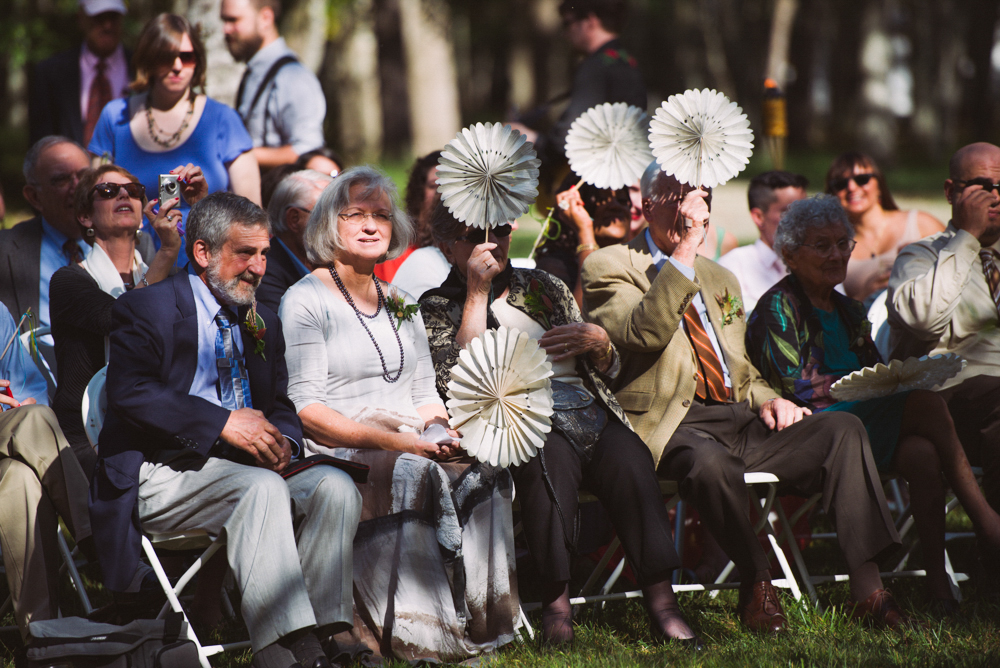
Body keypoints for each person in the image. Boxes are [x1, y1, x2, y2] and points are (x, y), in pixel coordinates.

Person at [582, 163, 905, 632]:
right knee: (710, 464)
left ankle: (868, 587)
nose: (697, 206)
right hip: (673, 423)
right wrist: (687, 249)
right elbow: (642, 334)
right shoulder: (610, 265)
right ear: (648, 206)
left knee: (842, 428)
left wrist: (770, 399)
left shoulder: (719, 278)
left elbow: (742, 368)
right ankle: (757, 578)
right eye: (681, 196)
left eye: (704, 195)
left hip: (739, 417)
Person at [89, 192, 361, 668]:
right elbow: (131, 393)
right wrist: (221, 422)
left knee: (334, 488)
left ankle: (328, 630)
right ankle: (284, 649)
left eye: (265, 253)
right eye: (245, 253)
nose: (259, 268)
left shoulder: (262, 320)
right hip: (162, 471)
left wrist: (285, 442)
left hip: (245, 471)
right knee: (257, 489)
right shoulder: (148, 308)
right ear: (202, 253)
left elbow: (280, 405)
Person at [419, 201, 700, 648]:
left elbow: (606, 370)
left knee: (631, 460)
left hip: (584, 405)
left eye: (503, 230)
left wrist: (601, 344)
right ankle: (556, 607)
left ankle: (663, 603)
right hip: (518, 422)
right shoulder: (439, 305)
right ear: (445, 245)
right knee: (547, 463)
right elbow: (455, 379)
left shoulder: (544, 285)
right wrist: (476, 290)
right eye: (476, 236)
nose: (493, 243)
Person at [278, 167, 522, 661]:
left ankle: (485, 621)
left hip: (410, 437)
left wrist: (438, 428)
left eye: (381, 217)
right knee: (415, 470)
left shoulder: (400, 302)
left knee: (484, 468)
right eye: (356, 215)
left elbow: (423, 393)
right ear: (329, 224)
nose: (371, 226)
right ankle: (417, 631)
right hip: (340, 447)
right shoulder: (305, 299)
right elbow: (307, 412)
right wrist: (406, 443)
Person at [746, 194, 1000, 611]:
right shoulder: (777, 306)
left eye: (843, 244)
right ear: (790, 253)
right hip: (814, 430)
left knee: (920, 452)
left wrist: (886, 386)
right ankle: (987, 522)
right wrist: (878, 393)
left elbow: (875, 372)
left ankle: (938, 585)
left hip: (859, 420)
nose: (836, 255)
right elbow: (799, 389)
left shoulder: (848, 308)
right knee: (925, 404)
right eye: (822, 245)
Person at [88, 13, 260, 266]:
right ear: (148, 58)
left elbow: (252, 215)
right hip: (129, 265)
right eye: (166, 56)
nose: (177, 65)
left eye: (187, 57)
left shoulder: (223, 118)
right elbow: (92, 198)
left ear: (198, 62)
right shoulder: (115, 116)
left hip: (204, 266)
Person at [49, 164, 188, 478]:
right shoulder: (68, 281)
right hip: (89, 434)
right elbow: (121, 318)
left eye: (134, 190)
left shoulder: (170, 277)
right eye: (108, 191)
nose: (124, 193)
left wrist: (200, 203)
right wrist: (166, 252)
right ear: (85, 217)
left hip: (160, 426)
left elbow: (207, 300)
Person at [887, 142, 1000, 523]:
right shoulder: (920, 256)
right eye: (983, 186)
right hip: (950, 406)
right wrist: (967, 237)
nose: (995, 197)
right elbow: (923, 320)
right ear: (952, 192)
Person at [0, 137, 156, 374]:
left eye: (84, 176)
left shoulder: (140, 248)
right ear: (34, 196)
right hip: (31, 388)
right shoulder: (7, 249)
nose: (76, 186)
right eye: (61, 179)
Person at [0, 303, 95, 642]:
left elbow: (30, 388)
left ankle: (40, 637)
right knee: (37, 421)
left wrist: (23, 401)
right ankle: (99, 541)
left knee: (20, 481)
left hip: (8, 445)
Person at [509, 0, 645, 196]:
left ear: (590, 21)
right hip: (622, 185)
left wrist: (531, 139)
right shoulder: (627, 61)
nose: (565, 33)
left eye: (567, 24)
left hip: (592, 190)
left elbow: (567, 138)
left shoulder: (595, 66)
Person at [825, 151, 943, 306]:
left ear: (879, 184)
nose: (851, 187)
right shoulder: (834, 248)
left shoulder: (920, 223)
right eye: (840, 184)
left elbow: (960, 268)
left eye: (862, 179)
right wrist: (864, 294)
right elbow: (829, 313)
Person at [221, 0, 327, 169]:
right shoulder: (255, 71)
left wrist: (233, 152)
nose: (225, 29)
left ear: (265, 18)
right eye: (223, 21)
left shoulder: (292, 77)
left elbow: (308, 151)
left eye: (233, 20)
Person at [28, 0, 132, 146]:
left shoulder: (143, 69)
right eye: (99, 17)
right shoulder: (50, 73)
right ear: (80, 19)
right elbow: (40, 146)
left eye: (113, 17)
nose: (107, 25)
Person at [718, 171, 808, 312]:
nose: (800, 220)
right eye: (788, 212)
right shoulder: (734, 267)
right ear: (759, 217)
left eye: (805, 211)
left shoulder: (817, 262)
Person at [536, 175, 632, 306]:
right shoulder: (554, 267)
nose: (615, 206)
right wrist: (584, 230)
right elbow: (582, 318)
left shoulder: (640, 260)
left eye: (622, 200)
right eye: (602, 199)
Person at [257, 169, 333, 313]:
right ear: (294, 219)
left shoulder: (334, 265)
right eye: (327, 215)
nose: (338, 225)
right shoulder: (264, 272)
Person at [375, 150, 448, 290]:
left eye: (448, 185)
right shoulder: (394, 251)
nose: (442, 193)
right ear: (418, 193)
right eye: (435, 186)